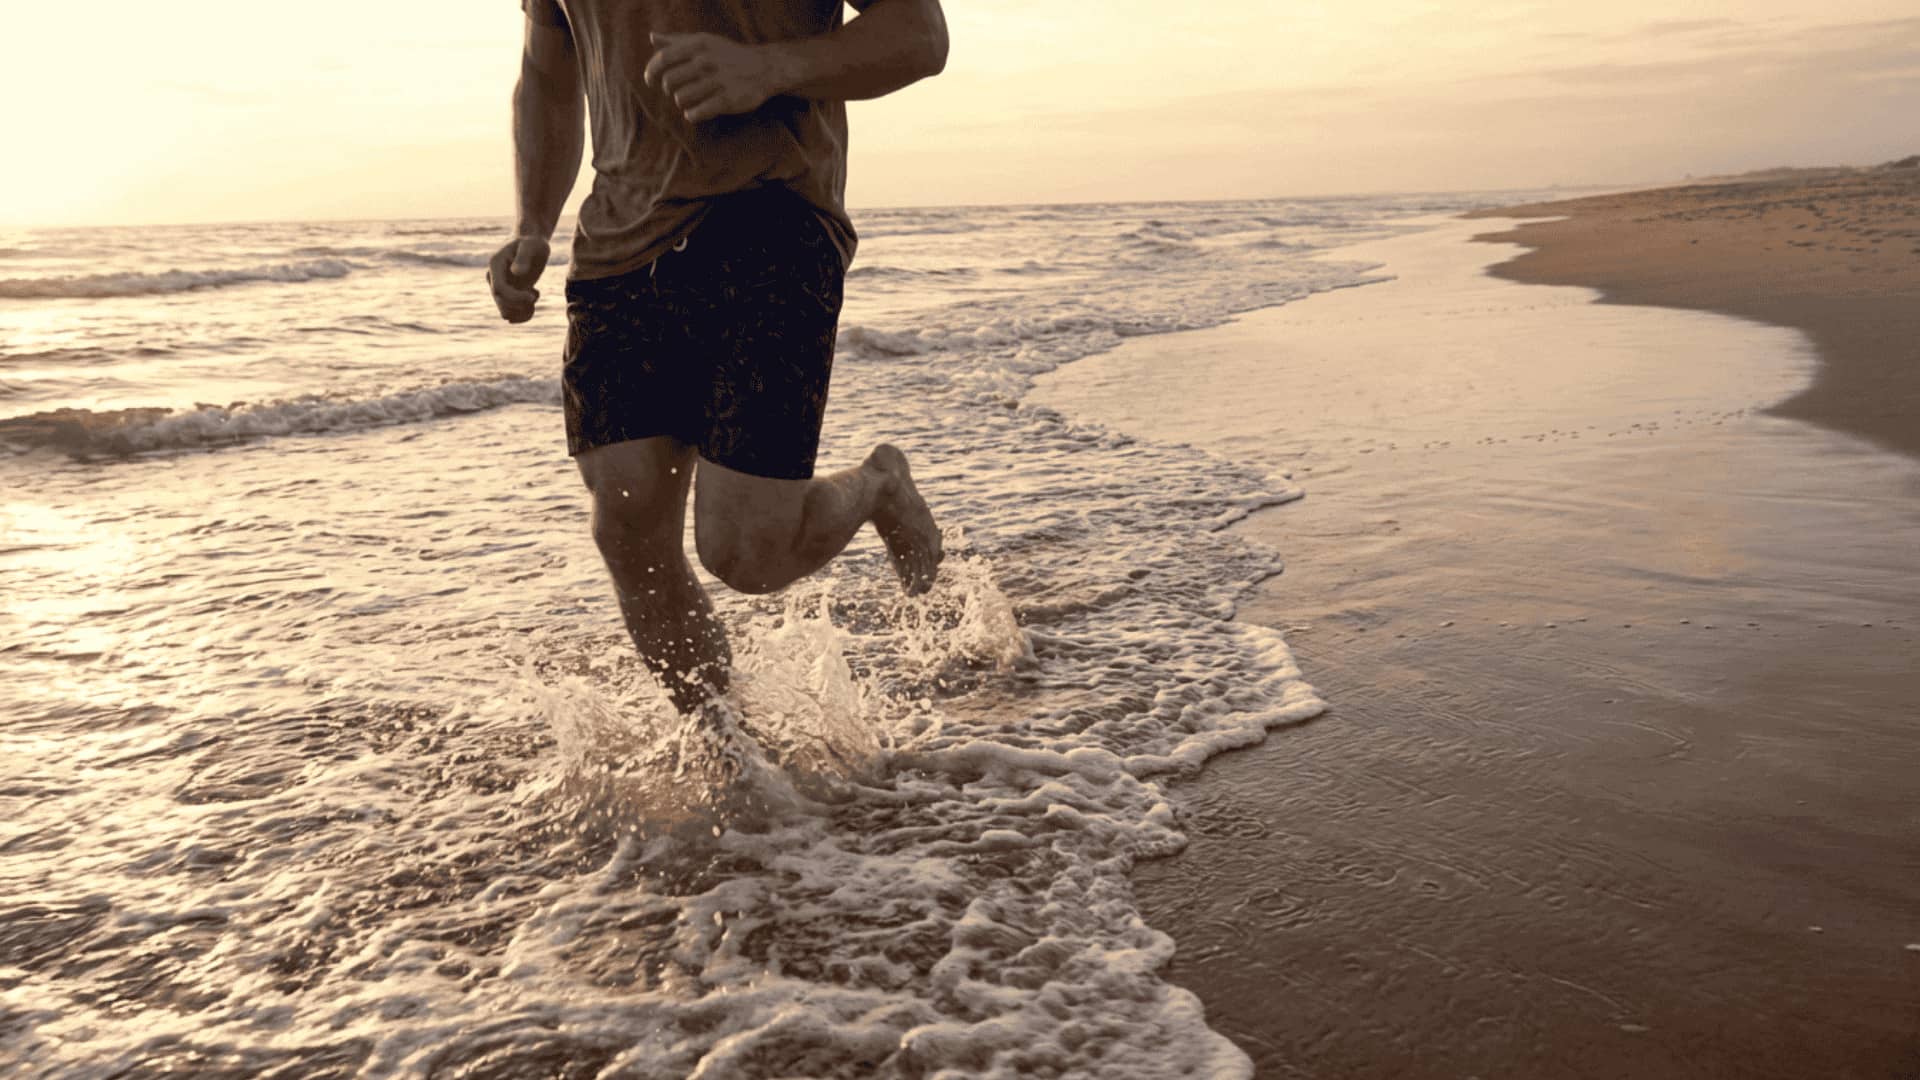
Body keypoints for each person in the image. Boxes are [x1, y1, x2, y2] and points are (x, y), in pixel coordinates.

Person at [489, 0, 949, 714]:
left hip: (772, 214)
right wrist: (532, 225)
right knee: (629, 532)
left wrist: (770, 68)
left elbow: (920, 34)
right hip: (618, 248)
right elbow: (547, 73)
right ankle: (727, 750)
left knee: (747, 553)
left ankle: (880, 484)